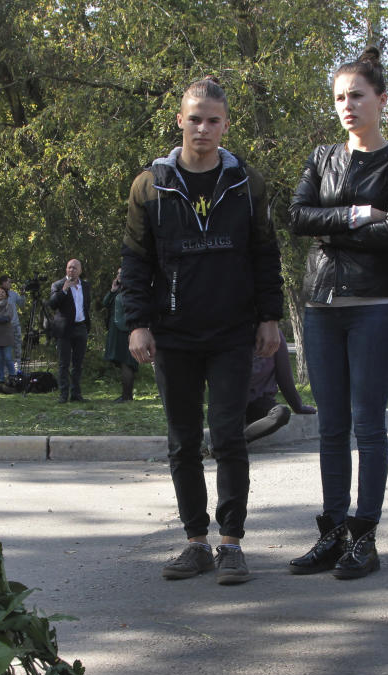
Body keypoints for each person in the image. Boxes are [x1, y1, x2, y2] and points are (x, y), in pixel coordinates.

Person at [122, 77, 284, 584]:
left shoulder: (246, 183)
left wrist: (269, 317)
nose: (203, 129)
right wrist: (138, 324)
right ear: (179, 121)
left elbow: (264, 254)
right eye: (195, 119)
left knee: (230, 437)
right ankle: (196, 542)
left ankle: (231, 543)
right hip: (173, 334)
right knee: (182, 442)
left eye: (214, 120)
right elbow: (136, 261)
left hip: (233, 331)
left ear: (225, 125)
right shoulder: (150, 185)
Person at [287, 48, 388, 580]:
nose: (347, 105)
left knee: (368, 426)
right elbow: (298, 216)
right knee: (331, 427)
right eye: (340, 97)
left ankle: (365, 538)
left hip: (375, 309)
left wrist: (331, 224)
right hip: (321, 307)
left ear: (380, 101)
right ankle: (333, 531)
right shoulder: (321, 158)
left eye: (357, 95)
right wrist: (358, 213)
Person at [244, 329, 317, 443]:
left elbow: (284, 378)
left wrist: (298, 406)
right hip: (232, 404)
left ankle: (236, 442)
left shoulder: (274, 336)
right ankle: (227, 443)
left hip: (259, 402)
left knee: (281, 413)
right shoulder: (230, 334)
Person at [49, 259, 92, 403]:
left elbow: (86, 305)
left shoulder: (85, 286)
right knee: (64, 363)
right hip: (64, 329)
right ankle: (63, 394)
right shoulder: (58, 285)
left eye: (74, 268)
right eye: (69, 268)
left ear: (80, 270)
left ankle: (76, 394)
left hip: (81, 327)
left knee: (78, 364)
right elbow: (53, 304)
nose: (71, 270)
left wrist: (86, 324)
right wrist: (64, 290)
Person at [101, 267, 138, 402]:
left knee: (127, 363)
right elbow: (105, 303)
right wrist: (113, 290)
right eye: (117, 274)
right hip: (116, 330)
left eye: (121, 273)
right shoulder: (118, 290)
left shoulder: (133, 289)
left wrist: (133, 330)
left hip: (126, 331)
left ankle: (127, 396)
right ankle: (126, 395)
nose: (119, 276)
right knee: (124, 363)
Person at [0, 274, 25, 375]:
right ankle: (6, 370)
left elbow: (22, 304)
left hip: (15, 325)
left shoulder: (13, 294)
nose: (10, 283)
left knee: (17, 347)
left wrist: (22, 294)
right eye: (9, 282)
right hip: (4, 326)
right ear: (3, 283)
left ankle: (17, 368)